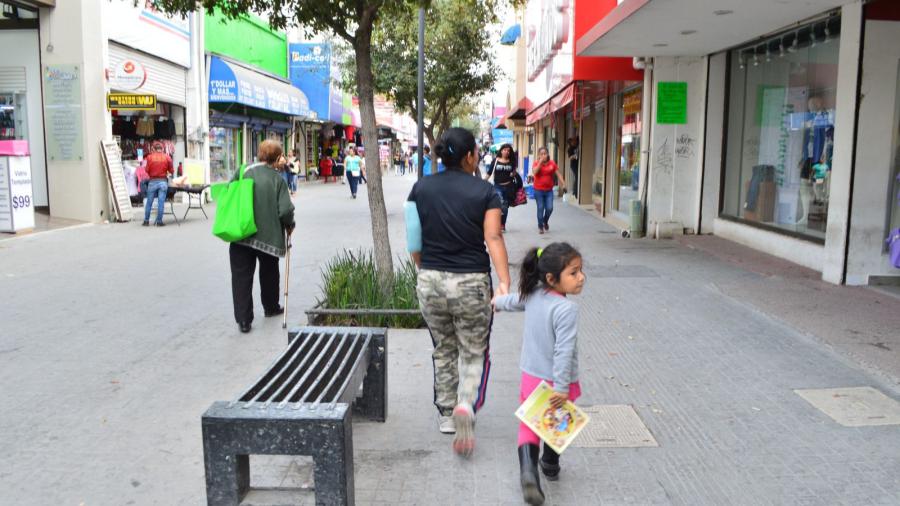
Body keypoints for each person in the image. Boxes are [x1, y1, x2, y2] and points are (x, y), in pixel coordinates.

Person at [405, 127, 511, 457]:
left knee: (443, 347)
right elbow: (494, 238)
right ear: (468, 156)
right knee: (473, 349)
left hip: (431, 280)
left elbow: (414, 242)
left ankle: (447, 415)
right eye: (476, 151)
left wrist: (428, 270)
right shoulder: (485, 192)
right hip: (472, 282)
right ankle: (466, 403)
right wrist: (505, 282)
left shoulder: (419, 188)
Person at [492, 242, 585, 505]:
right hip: (556, 380)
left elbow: (514, 300)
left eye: (580, 271)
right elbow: (563, 351)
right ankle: (550, 464)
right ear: (551, 278)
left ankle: (528, 472)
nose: (581, 278)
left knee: (529, 424)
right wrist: (562, 387)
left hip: (530, 376)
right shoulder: (566, 309)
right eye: (574, 273)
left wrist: (497, 302)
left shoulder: (534, 295)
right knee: (557, 422)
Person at [229, 140, 296, 334]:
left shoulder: (242, 170)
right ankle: (270, 307)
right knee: (269, 272)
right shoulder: (277, 180)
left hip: (241, 232)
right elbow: (285, 211)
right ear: (276, 158)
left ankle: (243, 320)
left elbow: (230, 191)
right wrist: (290, 225)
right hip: (268, 235)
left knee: (241, 276)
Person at [529, 147, 566, 234]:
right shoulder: (536, 163)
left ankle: (545, 221)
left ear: (548, 154)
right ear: (538, 155)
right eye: (541, 154)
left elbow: (559, 174)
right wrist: (540, 163)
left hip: (549, 190)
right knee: (540, 208)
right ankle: (540, 226)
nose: (543, 155)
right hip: (538, 190)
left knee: (549, 208)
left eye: (545, 153)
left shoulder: (552, 163)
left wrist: (564, 184)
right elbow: (534, 172)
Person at [484, 143, 518, 233]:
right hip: (497, 187)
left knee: (505, 207)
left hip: (508, 187)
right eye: (505, 150)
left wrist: (513, 173)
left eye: (508, 150)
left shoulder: (512, 162)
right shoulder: (495, 160)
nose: (506, 152)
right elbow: (489, 173)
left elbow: (514, 173)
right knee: (501, 205)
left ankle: (502, 224)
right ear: (501, 151)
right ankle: (497, 223)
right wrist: (482, 182)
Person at [142, 142, 173, 227]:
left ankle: (146, 221)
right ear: (162, 149)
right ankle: (159, 221)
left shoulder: (149, 157)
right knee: (161, 202)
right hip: (163, 181)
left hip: (152, 181)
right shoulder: (167, 157)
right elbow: (171, 170)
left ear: (154, 149)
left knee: (149, 202)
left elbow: (146, 170)